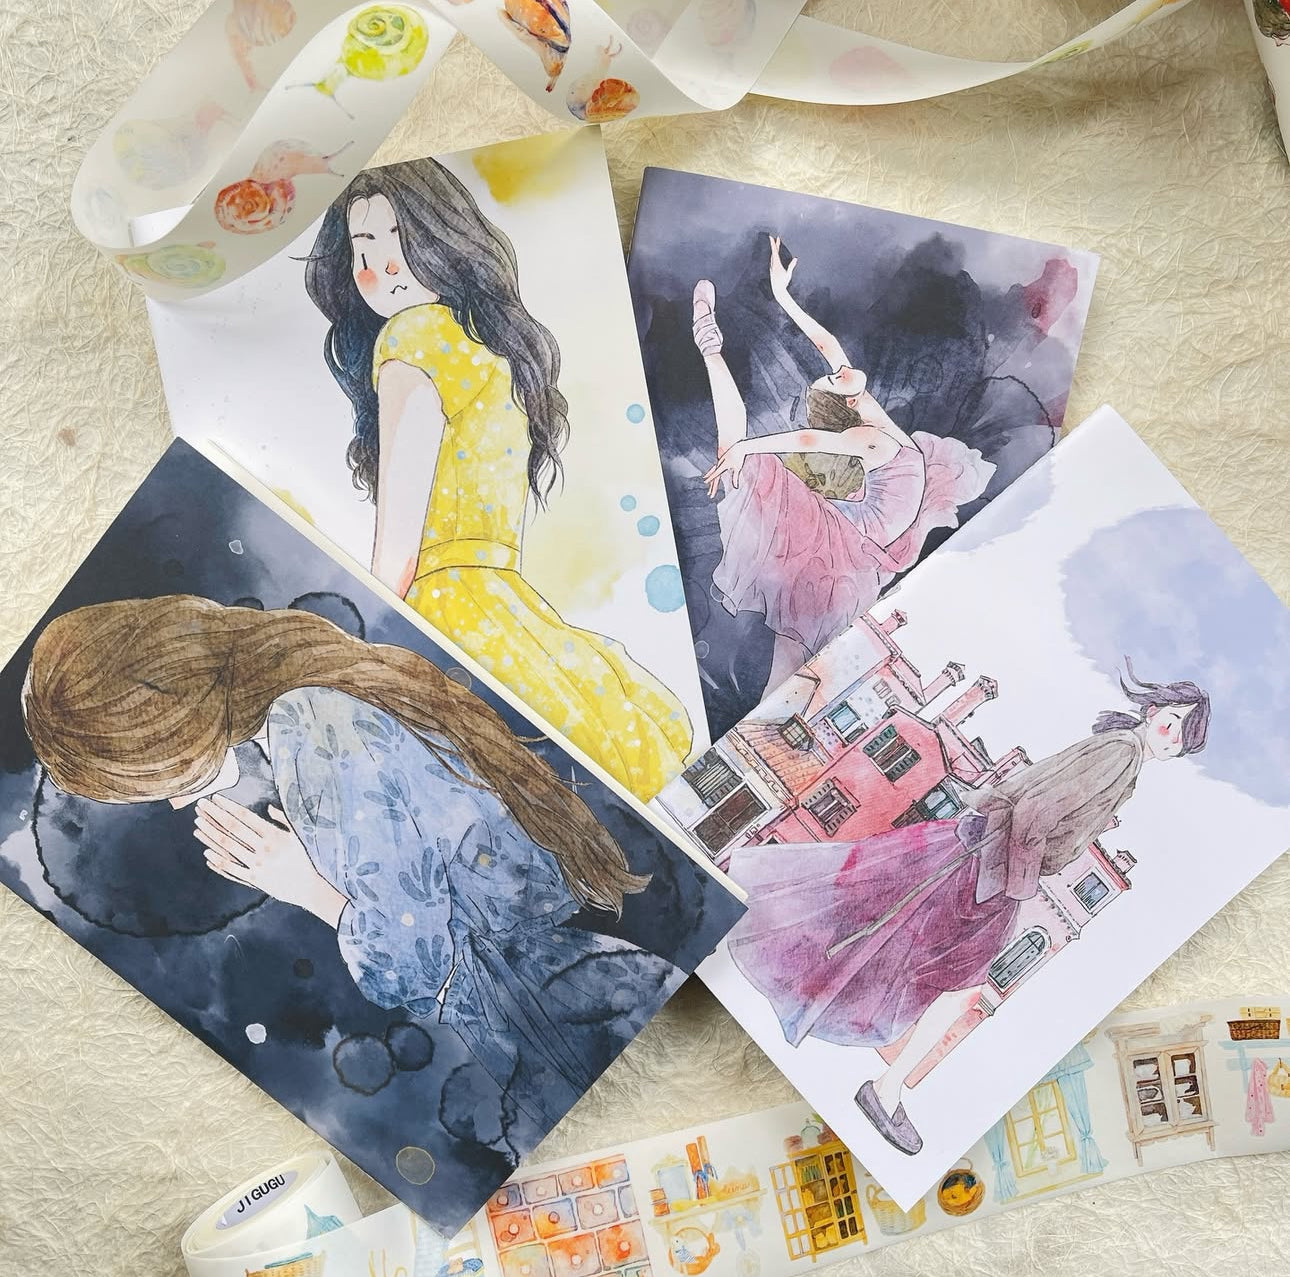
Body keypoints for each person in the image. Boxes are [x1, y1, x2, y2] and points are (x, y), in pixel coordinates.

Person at [22, 594, 684, 1129]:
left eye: (157, 776)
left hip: (552, 1003)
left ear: (171, 722)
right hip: (557, 981)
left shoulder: (315, 732)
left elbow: (421, 962)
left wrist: (306, 886)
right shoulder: (311, 701)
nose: (173, 801)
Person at [304, 159, 691, 800]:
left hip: (440, 607)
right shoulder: (494, 355)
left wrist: (364, 654)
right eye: (364, 248)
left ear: (441, 237)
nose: (385, 265)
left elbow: (397, 544)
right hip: (506, 605)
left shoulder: (412, 337)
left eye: (400, 238)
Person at [723, 661, 1211, 1155]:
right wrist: (1019, 885)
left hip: (981, 853)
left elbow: (1028, 796)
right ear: (1154, 709)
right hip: (992, 869)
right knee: (944, 974)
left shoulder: (1120, 754)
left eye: (1183, 737)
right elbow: (1035, 812)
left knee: (881, 914)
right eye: (1173, 721)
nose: (1172, 738)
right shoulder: (1121, 755)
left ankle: (879, 1078)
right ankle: (884, 1088)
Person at [692, 236, 995, 693]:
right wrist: (747, 449)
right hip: (851, 540)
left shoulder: (869, 415)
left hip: (858, 545)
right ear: (846, 403)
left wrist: (782, 296)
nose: (842, 370)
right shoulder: (868, 436)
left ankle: (711, 351)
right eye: (837, 379)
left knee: (796, 649)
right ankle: (710, 347)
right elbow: (811, 436)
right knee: (741, 462)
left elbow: (827, 346)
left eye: (837, 375)